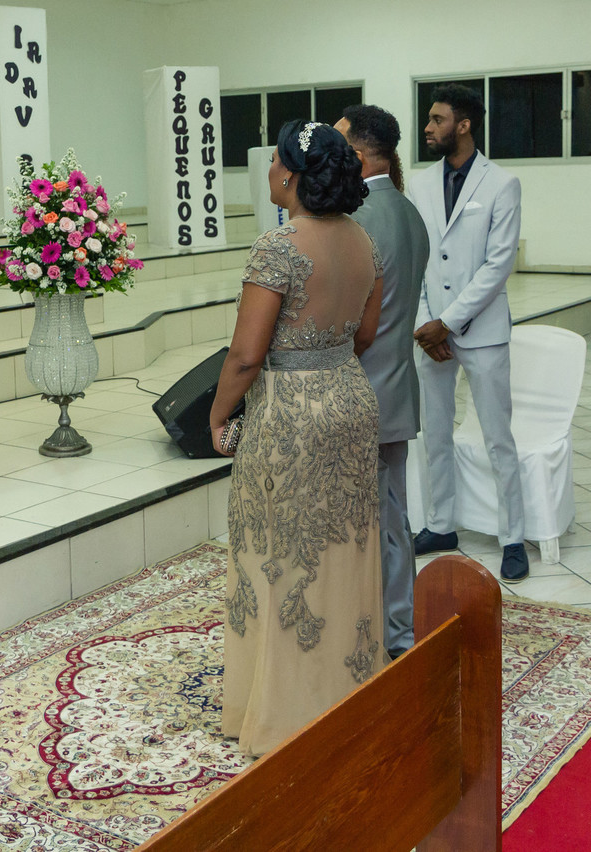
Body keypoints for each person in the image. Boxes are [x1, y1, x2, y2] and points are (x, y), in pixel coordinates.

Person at [210, 119, 384, 757]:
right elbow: (368, 332)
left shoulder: (278, 248)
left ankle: (282, 711)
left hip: (290, 415)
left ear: (289, 173)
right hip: (349, 398)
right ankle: (346, 691)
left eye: (273, 162)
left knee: (277, 552)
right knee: (344, 549)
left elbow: (245, 355)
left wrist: (219, 414)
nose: (267, 172)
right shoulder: (362, 239)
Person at [407, 84, 527, 583]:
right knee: (434, 434)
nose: (428, 128)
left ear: (464, 124)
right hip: (429, 331)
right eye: (429, 119)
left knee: (498, 437)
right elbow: (415, 258)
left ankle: (513, 536)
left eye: (437, 119)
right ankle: (440, 525)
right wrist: (423, 324)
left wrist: (448, 322)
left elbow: (497, 266)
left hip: (479, 331)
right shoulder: (418, 184)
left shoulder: (501, 183)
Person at [335, 105, 430, 659]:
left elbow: (357, 326)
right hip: (396, 387)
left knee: (367, 526)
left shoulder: (359, 218)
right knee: (392, 517)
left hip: (360, 389)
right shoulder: (407, 210)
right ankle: (396, 630)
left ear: (357, 154)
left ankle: (377, 635)